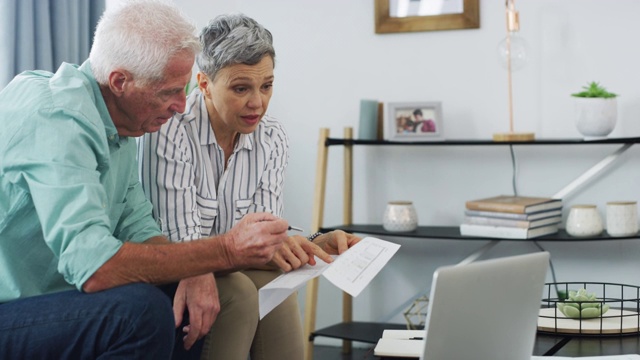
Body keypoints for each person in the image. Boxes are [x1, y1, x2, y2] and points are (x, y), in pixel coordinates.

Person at [0, 2, 291, 359]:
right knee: (142, 312)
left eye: (184, 90)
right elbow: (95, 268)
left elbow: (138, 225)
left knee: (212, 298)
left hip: (60, 297)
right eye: (169, 92)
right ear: (120, 81)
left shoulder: (120, 127)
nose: (182, 106)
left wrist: (197, 269)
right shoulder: (57, 118)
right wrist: (225, 249)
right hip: (13, 308)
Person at [138, 13, 361, 360]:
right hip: (176, 265)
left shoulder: (272, 138)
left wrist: (316, 242)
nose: (257, 102)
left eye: (267, 86)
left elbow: (266, 235)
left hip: (231, 264)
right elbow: (183, 245)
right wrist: (260, 248)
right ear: (204, 84)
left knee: (278, 286)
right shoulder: (172, 130)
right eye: (241, 88)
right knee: (240, 291)